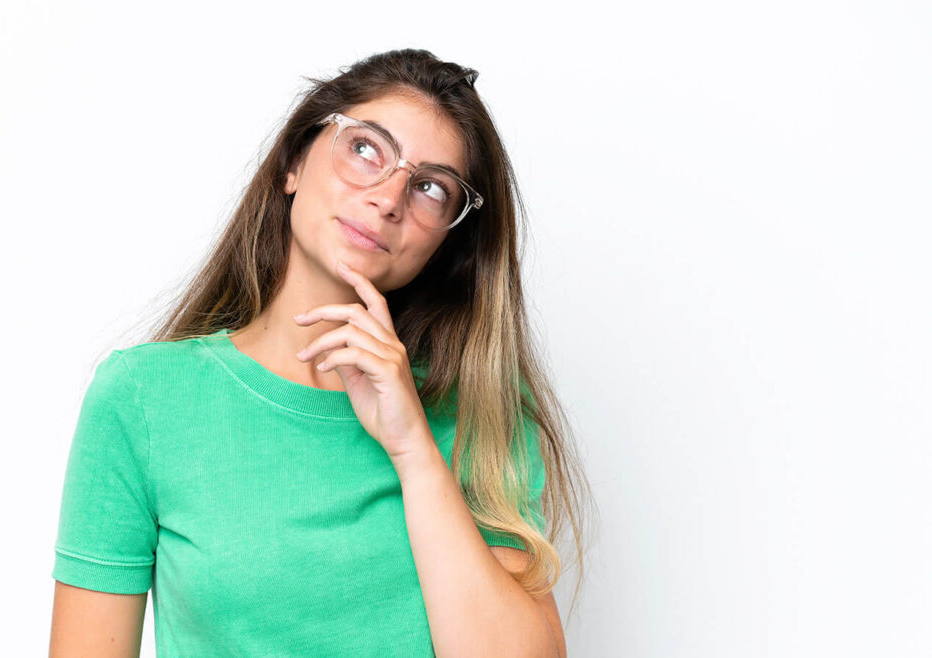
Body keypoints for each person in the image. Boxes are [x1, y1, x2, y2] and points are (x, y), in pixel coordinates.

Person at [48, 48, 592, 657]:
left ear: (447, 243)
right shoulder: (143, 400)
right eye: (366, 149)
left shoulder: (480, 412)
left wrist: (413, 450)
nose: (388, 198)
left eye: (430, 188)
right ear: (293, 163)